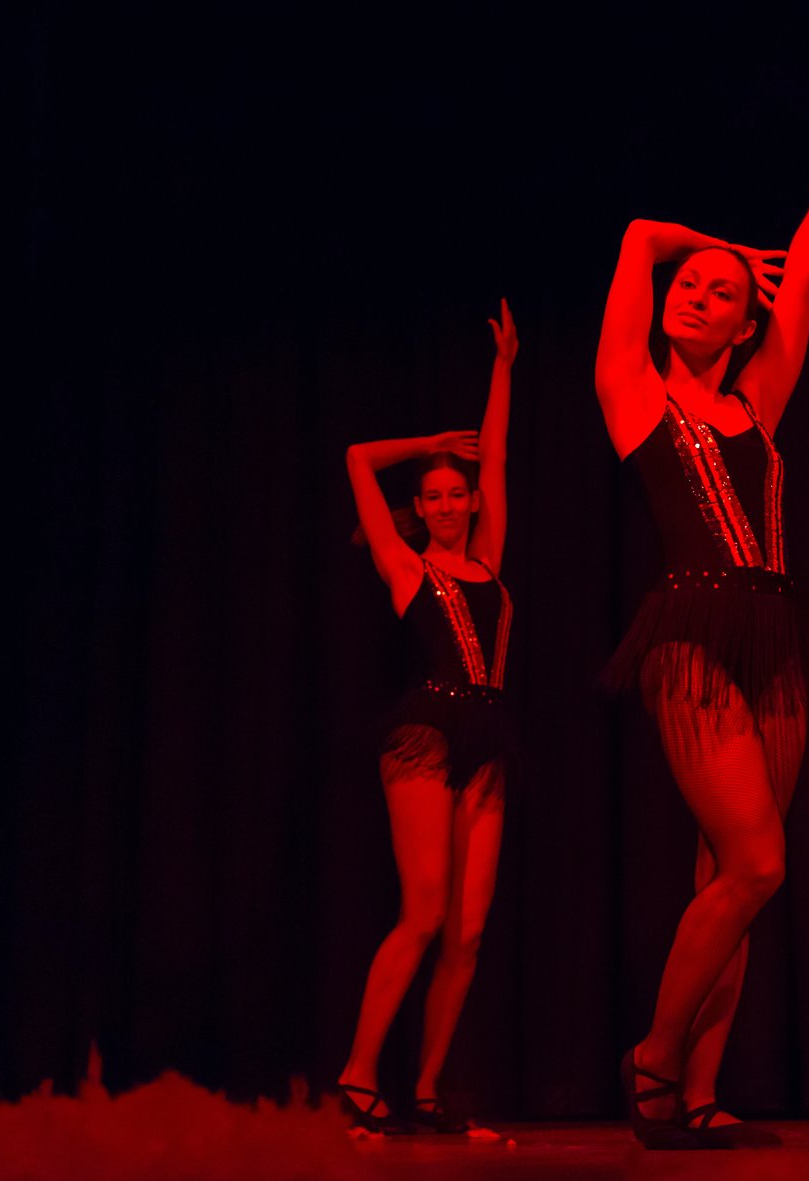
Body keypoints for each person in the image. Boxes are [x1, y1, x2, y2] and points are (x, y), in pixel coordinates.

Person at [596, 97, 809, 1148]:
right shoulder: (634, 391)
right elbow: (640, 235)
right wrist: (714, 243)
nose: (695, 293)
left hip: (775, 638)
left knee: (730, 877)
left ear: (745, 325)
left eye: (721, 291)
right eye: (688, 285)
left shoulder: (760, 400)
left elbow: (804, 273)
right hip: (691, 634)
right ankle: (652, 1056)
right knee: (758, 862)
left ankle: (699, 1091)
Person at [336, 300, 519, 1135]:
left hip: (488, 739)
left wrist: (503, 371)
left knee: (469, 932)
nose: (446, 505)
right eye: (434, 497)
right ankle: (358, 1075)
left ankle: (428, 1087)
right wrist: (430, 443)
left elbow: (499, 455)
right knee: (425, 913)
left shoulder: (490, 560)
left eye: (457, 494)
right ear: (422, 504)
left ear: (473, 502)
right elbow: (356, 458)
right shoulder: (408, 568)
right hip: (427, 737)